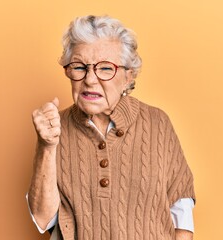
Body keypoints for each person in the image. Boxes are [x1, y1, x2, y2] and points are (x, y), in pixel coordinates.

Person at [27, 15, 196, 240]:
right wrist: (46, 146)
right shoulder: (55, 129)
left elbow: (181, 209)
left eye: (105, 69)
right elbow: (42, 218)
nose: (90, 80)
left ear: (129, 76)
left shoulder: (157, 123)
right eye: (79, 67)